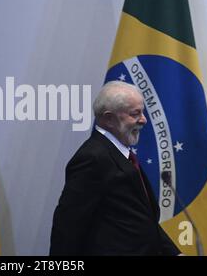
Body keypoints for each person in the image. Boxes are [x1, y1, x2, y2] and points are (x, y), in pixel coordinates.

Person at [49, 81, 181, 255]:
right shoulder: (92, 158)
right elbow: (67, 225)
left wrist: (175, 253)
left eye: (142, 112)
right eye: (135, 114)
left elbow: (141, 220)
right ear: (109, 118)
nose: (144, 119)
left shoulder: (121, 154)